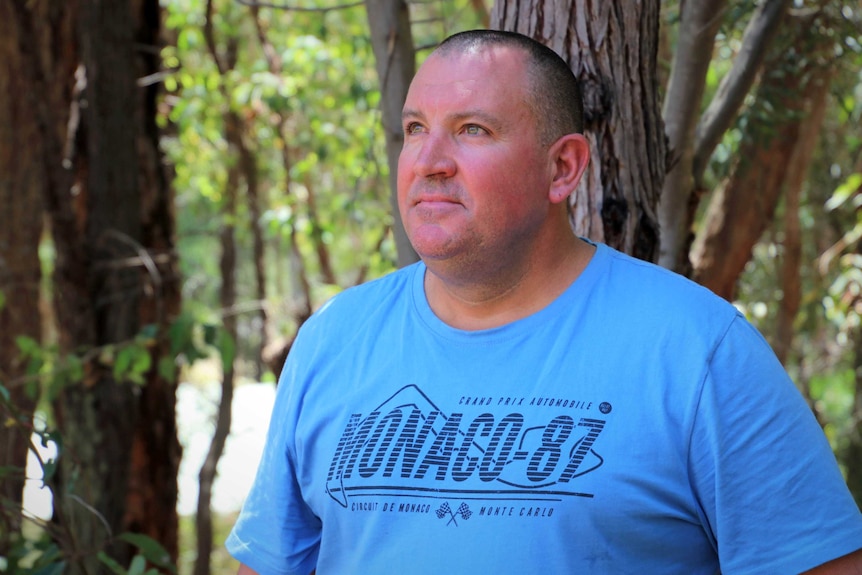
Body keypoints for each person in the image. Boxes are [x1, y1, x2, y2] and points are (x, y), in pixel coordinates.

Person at [226, 29, 862, 574]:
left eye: (472, 130)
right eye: (415, 129)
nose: (429, 161)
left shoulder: (698, 350)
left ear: (562, 168)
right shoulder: (334, 340)